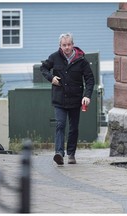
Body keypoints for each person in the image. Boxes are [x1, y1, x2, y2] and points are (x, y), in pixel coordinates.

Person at [40, 33, 95, 165]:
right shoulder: (54, 57)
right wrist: (51, 78)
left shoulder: (81, 60)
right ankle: (59, 153)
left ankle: (71, 154)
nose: (67, 47)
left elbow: (90, 79)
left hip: (76, 99)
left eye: (69, 44)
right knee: (60, 125)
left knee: (73, 128)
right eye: (64, 45)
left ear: (73, 44)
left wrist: (87, 95)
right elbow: (44, 68)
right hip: (60, 99)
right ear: (60, 46)